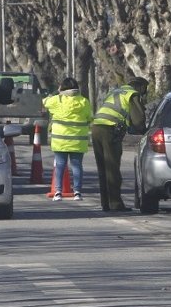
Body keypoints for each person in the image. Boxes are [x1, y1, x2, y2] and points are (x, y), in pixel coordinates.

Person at [90, 76, 148, 211]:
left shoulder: (116, 92)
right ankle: (115, 204)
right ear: (140, 87)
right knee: (112, 168)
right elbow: (138, 120)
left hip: (97, 127)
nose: (143, 93)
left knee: (103, 168)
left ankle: (106, 203)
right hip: (109, 130)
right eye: (144, 90)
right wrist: (144, 130)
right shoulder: (132, 94)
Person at [42, 77, 94, 201]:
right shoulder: (84, 101)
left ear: (62, 88)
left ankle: (58, 192)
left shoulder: (57, 100)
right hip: (78, 141)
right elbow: (89, 118)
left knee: (60, 165)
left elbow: (45, 102)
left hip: (60, 141)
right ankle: (77, 193)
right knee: (77, 166)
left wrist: (57, 92)